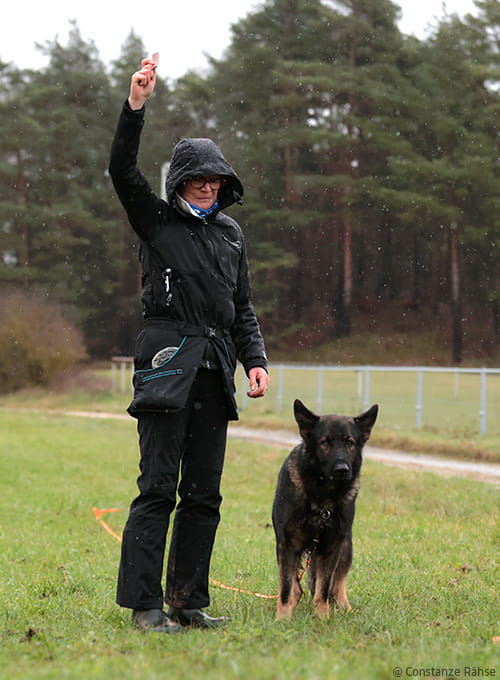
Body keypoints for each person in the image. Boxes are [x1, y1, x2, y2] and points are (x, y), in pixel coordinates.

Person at [108, 55, 269, 634]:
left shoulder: (230, 233)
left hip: (214, 369)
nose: (208, 186)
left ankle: (186, 601)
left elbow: (241, 305)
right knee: (157, 489)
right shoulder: (154, 221)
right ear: (179, 181)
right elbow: (122, 170)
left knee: (204, 495)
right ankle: (144, 607)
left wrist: (255, 360)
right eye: (198, 178)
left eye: (215, 180)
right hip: (165, 365)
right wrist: (136, 106)